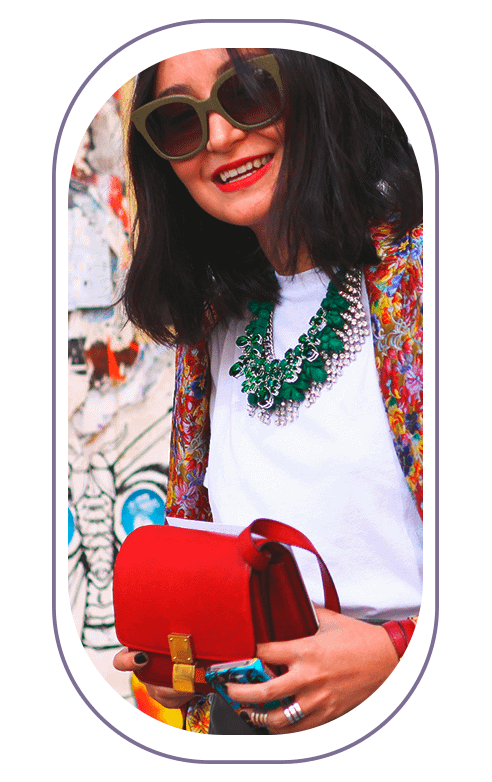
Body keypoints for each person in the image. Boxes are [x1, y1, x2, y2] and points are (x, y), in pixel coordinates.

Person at [113, 47, 423, 734]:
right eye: (179, 121)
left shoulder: (433, 278)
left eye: (249, 90)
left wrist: (398, 656)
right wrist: (182, 656)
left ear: (318, 80)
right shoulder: (214, 321)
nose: (220, 136)